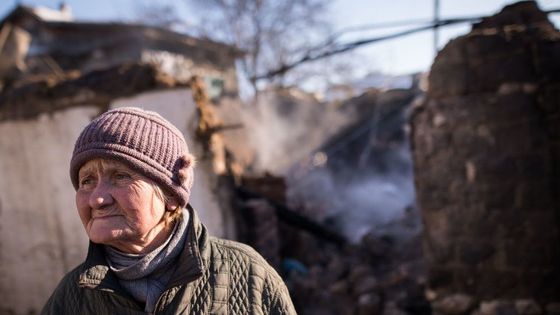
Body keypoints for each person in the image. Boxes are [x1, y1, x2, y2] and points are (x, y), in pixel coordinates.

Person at [41, 107, 296, 314]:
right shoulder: (71, 297)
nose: (97, 199)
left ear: (171, 196)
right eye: (86, 181)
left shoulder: (248, 274)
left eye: (120, 176)